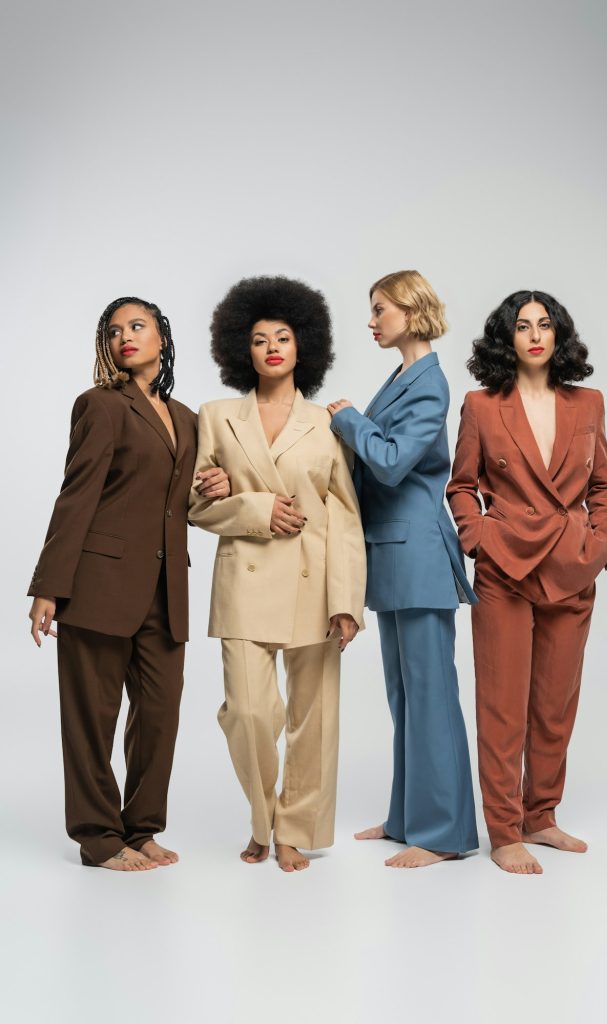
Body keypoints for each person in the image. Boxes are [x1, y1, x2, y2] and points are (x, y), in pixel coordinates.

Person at [28, 296, 228, 871]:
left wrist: (207, 489)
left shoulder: (186, 417)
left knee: (159, 718)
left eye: (137, 327)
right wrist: (49, 585)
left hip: (167, 590)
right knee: (92, 716)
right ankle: (98, 837)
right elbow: (78, 494)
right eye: (114, 331)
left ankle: (142, 829)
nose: (125, 338)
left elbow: (175, 504)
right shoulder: (99, 405)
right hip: (97, 583)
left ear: (161, 338)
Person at [188, 275, 365, 873]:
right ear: (241, 347)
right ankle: (262, 819)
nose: (270, 347)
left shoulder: (326, 422)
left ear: (302, 347)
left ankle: (291, 831)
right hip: (244, 577)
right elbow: (194, 503)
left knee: (313, 720)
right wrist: (256, 507)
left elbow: (343, 517)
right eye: (259, 338)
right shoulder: (215, 417)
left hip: (315, 583)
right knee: (249, 712)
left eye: (282, 337)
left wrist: (348, 600)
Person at [447, 290, 607, 875]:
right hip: (505, 569)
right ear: (507, 338)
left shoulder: (588, 402)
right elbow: (460, 485)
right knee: (503, 706)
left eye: (545, 325)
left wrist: (603, 544)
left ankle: (540, 815)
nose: (535, 335)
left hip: (572, 567)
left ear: (559, 335)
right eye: (523, 326)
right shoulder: (481, 404)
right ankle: (504, 829)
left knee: (554, 705)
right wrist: (480, 540)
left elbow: (602, 487)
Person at [328, 269, 479, 869]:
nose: (371, 322)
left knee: (432, 695)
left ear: (410, 312)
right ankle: (408, 818)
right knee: (404, 695)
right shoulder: (403, 376)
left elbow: (390, 464)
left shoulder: (430, 383)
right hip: (391, 551)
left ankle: (443, 834)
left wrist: (348, 420)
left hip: (416, 551)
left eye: (380, 310)